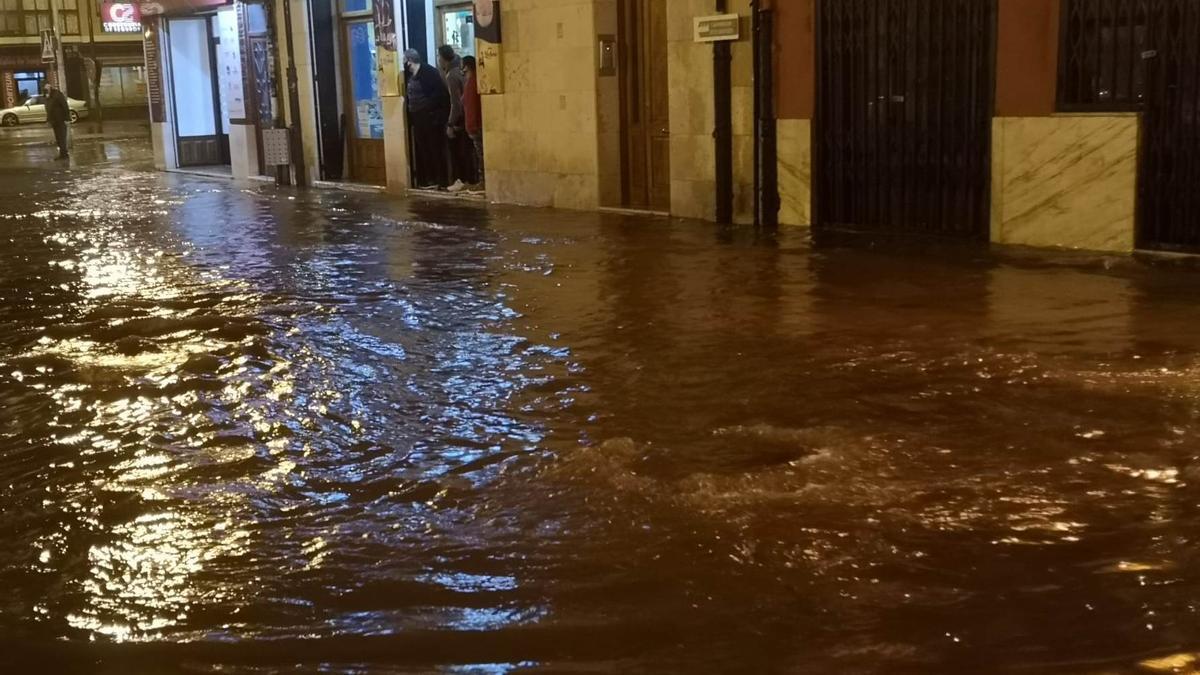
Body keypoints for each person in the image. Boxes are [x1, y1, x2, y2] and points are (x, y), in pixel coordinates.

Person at [404, 49, 450, 189]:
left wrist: (427, 109)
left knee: (435, 149)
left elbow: (440, 94)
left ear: (410, 61)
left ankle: (441, 180)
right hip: (418, 118)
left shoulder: (429, 73)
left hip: (430, 118)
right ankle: (430, 179)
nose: (404, 63)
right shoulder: (411, 75)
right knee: (424, 149)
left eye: (405, 60)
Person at [437, 45, 472, 192]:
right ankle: (469, 179)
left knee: (459, 151)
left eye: (439, 57)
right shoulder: (461, 70)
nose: (438, 60)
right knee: (467, 151)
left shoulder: (451, 75)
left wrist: (450, 123)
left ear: (443, 59)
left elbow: (455, 103)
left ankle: (461, 180)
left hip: (460, 119)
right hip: (467, 115)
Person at [462, 55, 484, 189]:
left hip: (475, 126)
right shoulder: (474, 81)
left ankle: (483, 182)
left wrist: (471, 126)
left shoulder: (472, 82)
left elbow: (471, 105)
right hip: (476, 124)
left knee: (480, 155)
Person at [44, 84, 70, 161]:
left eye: (47, 88)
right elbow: (49, 109)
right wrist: (48, 120)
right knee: (58, 138)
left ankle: (64, 154)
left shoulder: (57, 94)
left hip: (60, 119)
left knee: (62, 137)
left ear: (50, 87)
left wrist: (67, 118)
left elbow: (64, 105)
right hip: (54, 120)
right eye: (45, 88)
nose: (46, 90)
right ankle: (63, 154)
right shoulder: (47, 96)